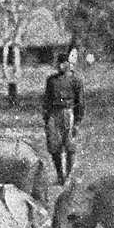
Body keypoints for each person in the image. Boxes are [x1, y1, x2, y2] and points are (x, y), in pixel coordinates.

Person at [43, 52, 85, 185]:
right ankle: (59, 174)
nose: (61, 66)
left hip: (68, 113)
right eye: (59, 63)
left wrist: (77, 122)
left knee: (70, 146)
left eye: (64, 63)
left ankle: (68, 176)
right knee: (54, 146)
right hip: (54, 114)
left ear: (69, 64)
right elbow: (46, 100)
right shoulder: (51, 80)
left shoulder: (76, 80)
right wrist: (47, 118)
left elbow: (80, 102)